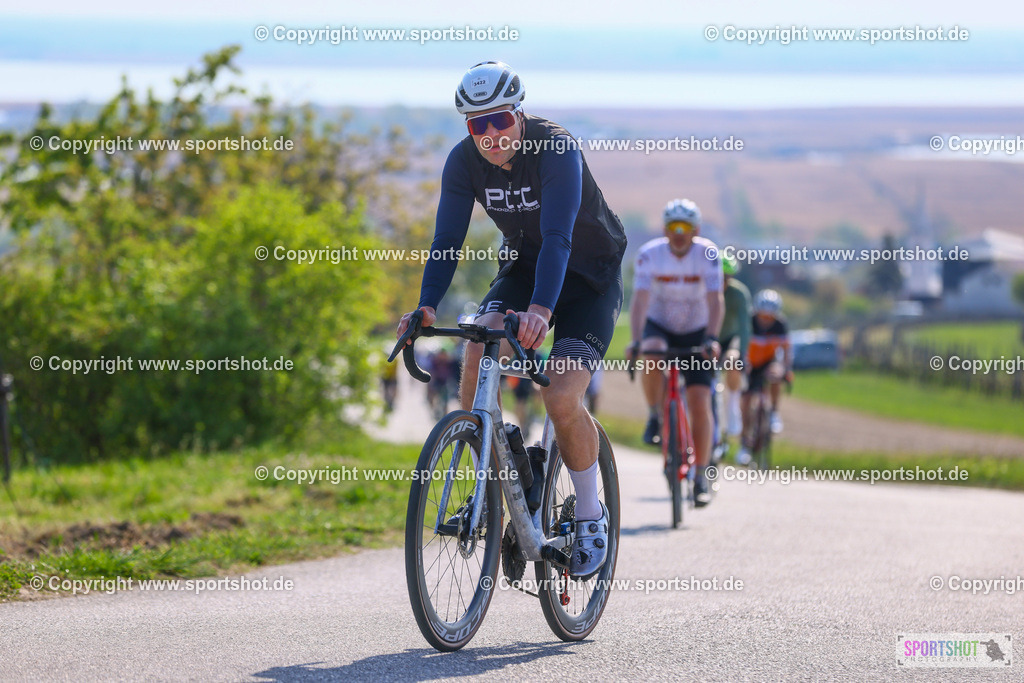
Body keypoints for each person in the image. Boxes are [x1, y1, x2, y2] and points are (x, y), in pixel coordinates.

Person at [396, 61, 627, 578]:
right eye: (478, 125)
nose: (492, 135)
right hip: (525, 268)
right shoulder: (462, 163)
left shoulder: (556, 149)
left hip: (587, 278)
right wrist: (427, 304)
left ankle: (591, 514)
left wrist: (543, 311)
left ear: (518, 113)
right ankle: (494, 483)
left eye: (500, 120)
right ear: (467, 128)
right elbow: (447, 241)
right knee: (477, 350)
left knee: (561, 396)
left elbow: (561, 236)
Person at [627, 199, 723, 507]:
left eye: (685, 228)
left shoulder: (707, 253)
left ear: (696, 230)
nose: (679, 233)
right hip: (660, 326)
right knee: (651, 352)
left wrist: (712, 338)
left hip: (697, 329)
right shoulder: (650, 255)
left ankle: (700, 476)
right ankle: (655, 414)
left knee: (699, 401)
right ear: (665, 230)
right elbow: (640, 301)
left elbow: (715, 299)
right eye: (673, 227)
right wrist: (636, 340)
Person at [737, 289, 793, 463]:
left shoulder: (781, 325)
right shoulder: (748, 322)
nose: (766, 320)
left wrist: (786, 369)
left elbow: (786, 351)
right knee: (745, 402)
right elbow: (739, 344)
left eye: (770, 317)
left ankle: (774, 412)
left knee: (776, 374)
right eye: (763, 316)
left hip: (768, 361)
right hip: (749, 363)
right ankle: (744, 444)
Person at [718, 254, 752, 461]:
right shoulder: (702, 288)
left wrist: (743, 355)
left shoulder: (739, 294)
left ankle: (732, 406)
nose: (722, 281)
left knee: (732, 360)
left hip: (730, 338)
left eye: (726, 277)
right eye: (718, 276)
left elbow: (745, 328)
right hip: (708, 338)